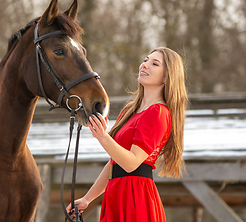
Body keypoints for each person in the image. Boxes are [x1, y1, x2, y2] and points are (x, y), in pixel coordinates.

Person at [67, 47, 188, 221]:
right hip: (116, 191)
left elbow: (131, 163)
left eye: (154, 63)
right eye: (145, 60)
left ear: (167, 77)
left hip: (135, 196)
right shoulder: (129, 111)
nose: (145, 65)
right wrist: (88, 198)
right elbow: (114, 163)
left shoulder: (158, 112)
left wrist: (103, 136)